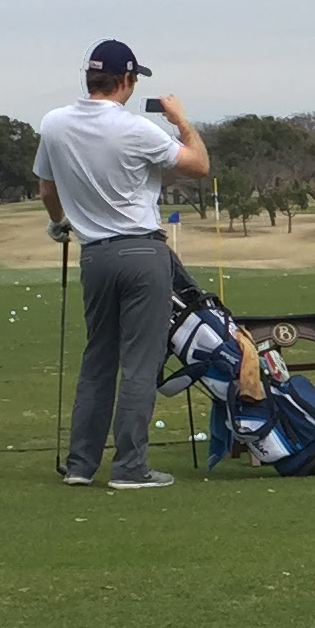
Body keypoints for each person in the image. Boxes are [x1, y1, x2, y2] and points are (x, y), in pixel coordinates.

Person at [34, 39, 211, 488]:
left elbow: (47, 189)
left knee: (98, 360)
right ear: (126, 80)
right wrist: (181, 121)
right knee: (139, 364)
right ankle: (130, 468)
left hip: (95, 256)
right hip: (143, 254)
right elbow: (198, 165)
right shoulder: (136, 129)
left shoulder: (54, 124)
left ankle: (81, 465)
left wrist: (58, 223)